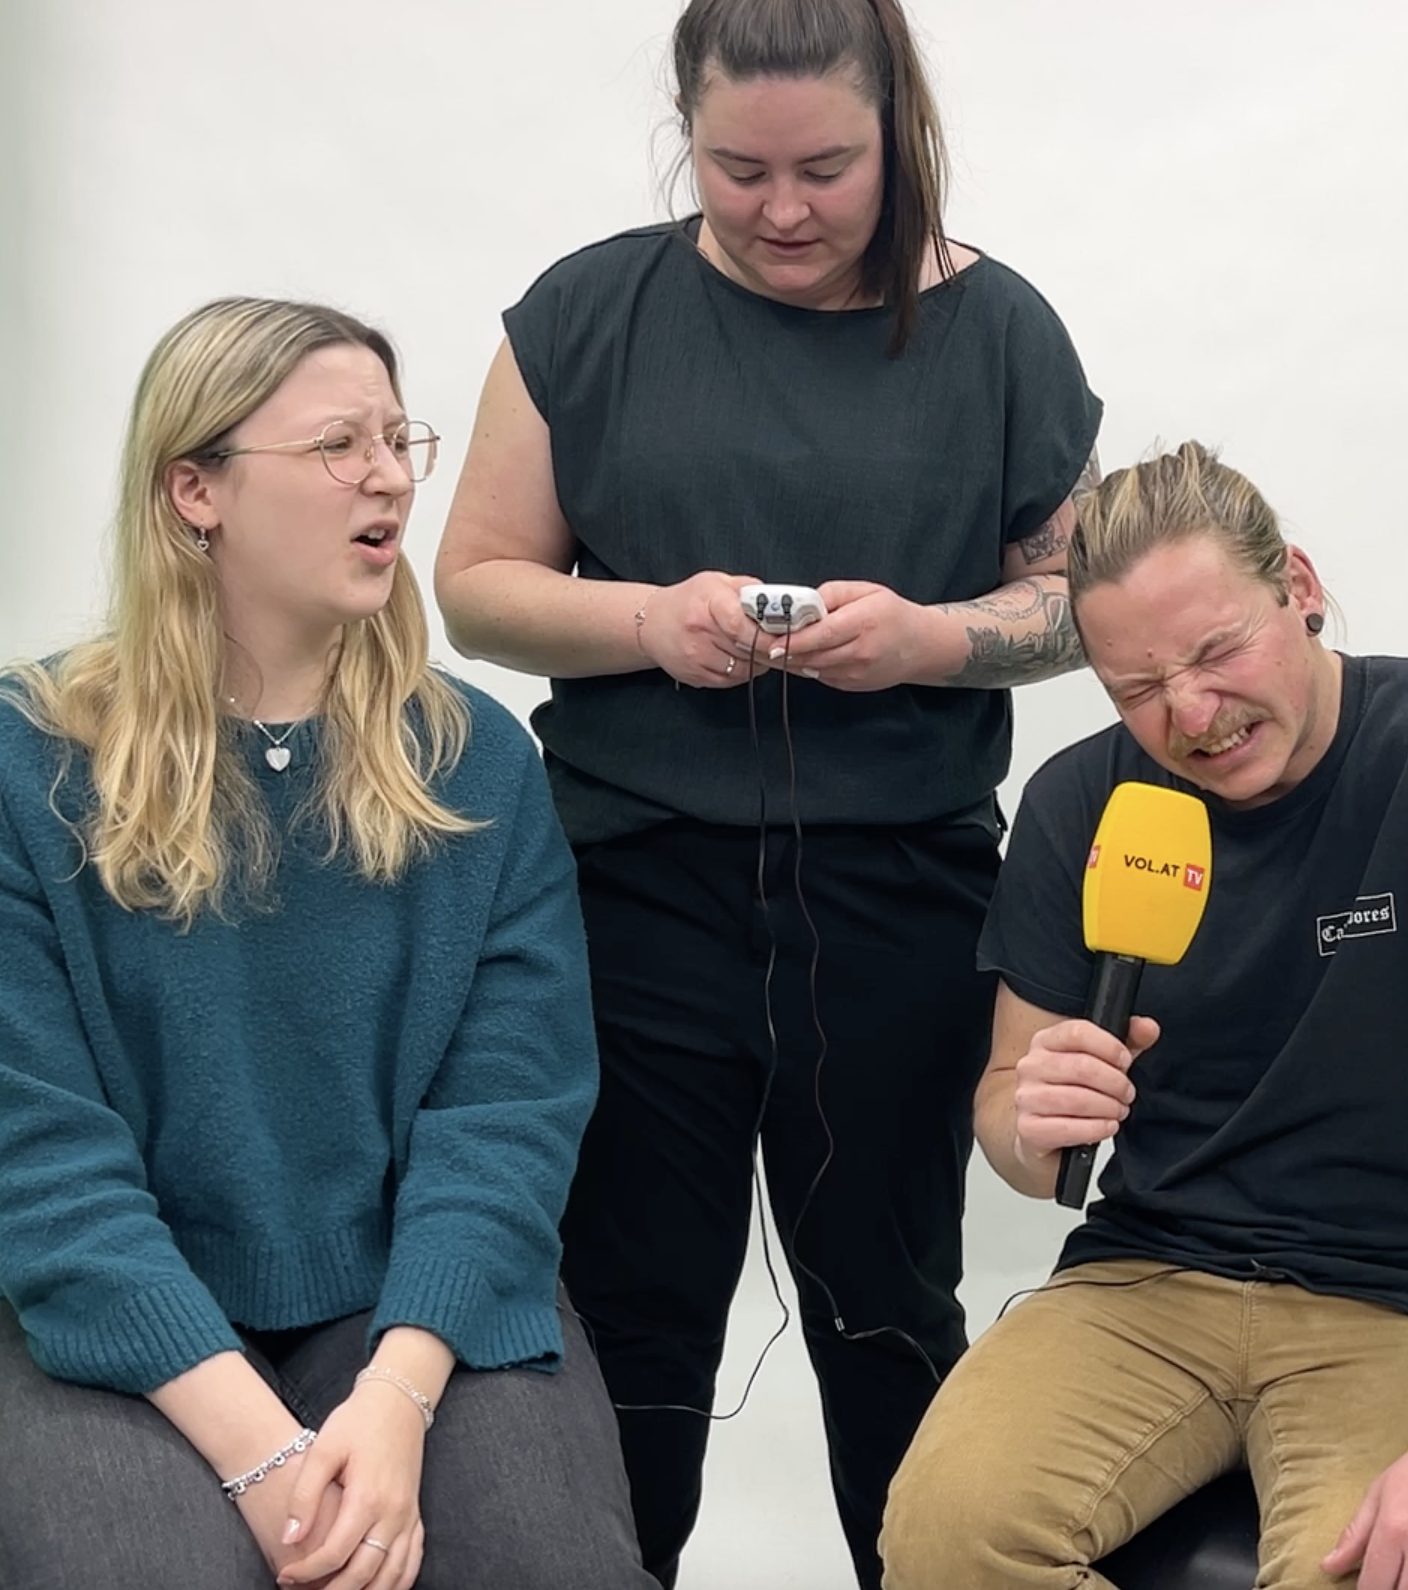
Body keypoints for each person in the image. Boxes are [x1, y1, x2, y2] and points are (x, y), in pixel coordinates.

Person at [433, 1, 1102, 1580]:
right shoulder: (584, 314)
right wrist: (648, 624)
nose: (782, 209)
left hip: (901, 893)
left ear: (897, 133)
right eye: (738, 170)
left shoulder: (1000, 329)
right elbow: (473, 586)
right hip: (626, 888)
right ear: (687, 132)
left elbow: (1079, 600)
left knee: (887, 1305)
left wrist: (931, 639)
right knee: (629, 1303)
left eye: (826, 169)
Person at [0, 297, 657, 1590]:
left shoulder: (479, 764)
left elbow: (506, 1122)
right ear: (196, 489)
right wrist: (262, 1456)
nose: (391, 477)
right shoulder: (30, 762)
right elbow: (37, 1158)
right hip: (104, 1304)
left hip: (412, 1299)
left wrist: (398, 1400)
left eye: (397, 439)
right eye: (337, 445)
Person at [879, 440, 1408, 1590]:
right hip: (1149, 1276)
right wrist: (1032, 1117)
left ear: (1298, 586)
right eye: (1138, 689)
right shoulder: (1081, 804)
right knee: (946, 1541)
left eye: (1217, 652)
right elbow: (1008, 1117)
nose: (1192, 714)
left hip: (1405, 1296)